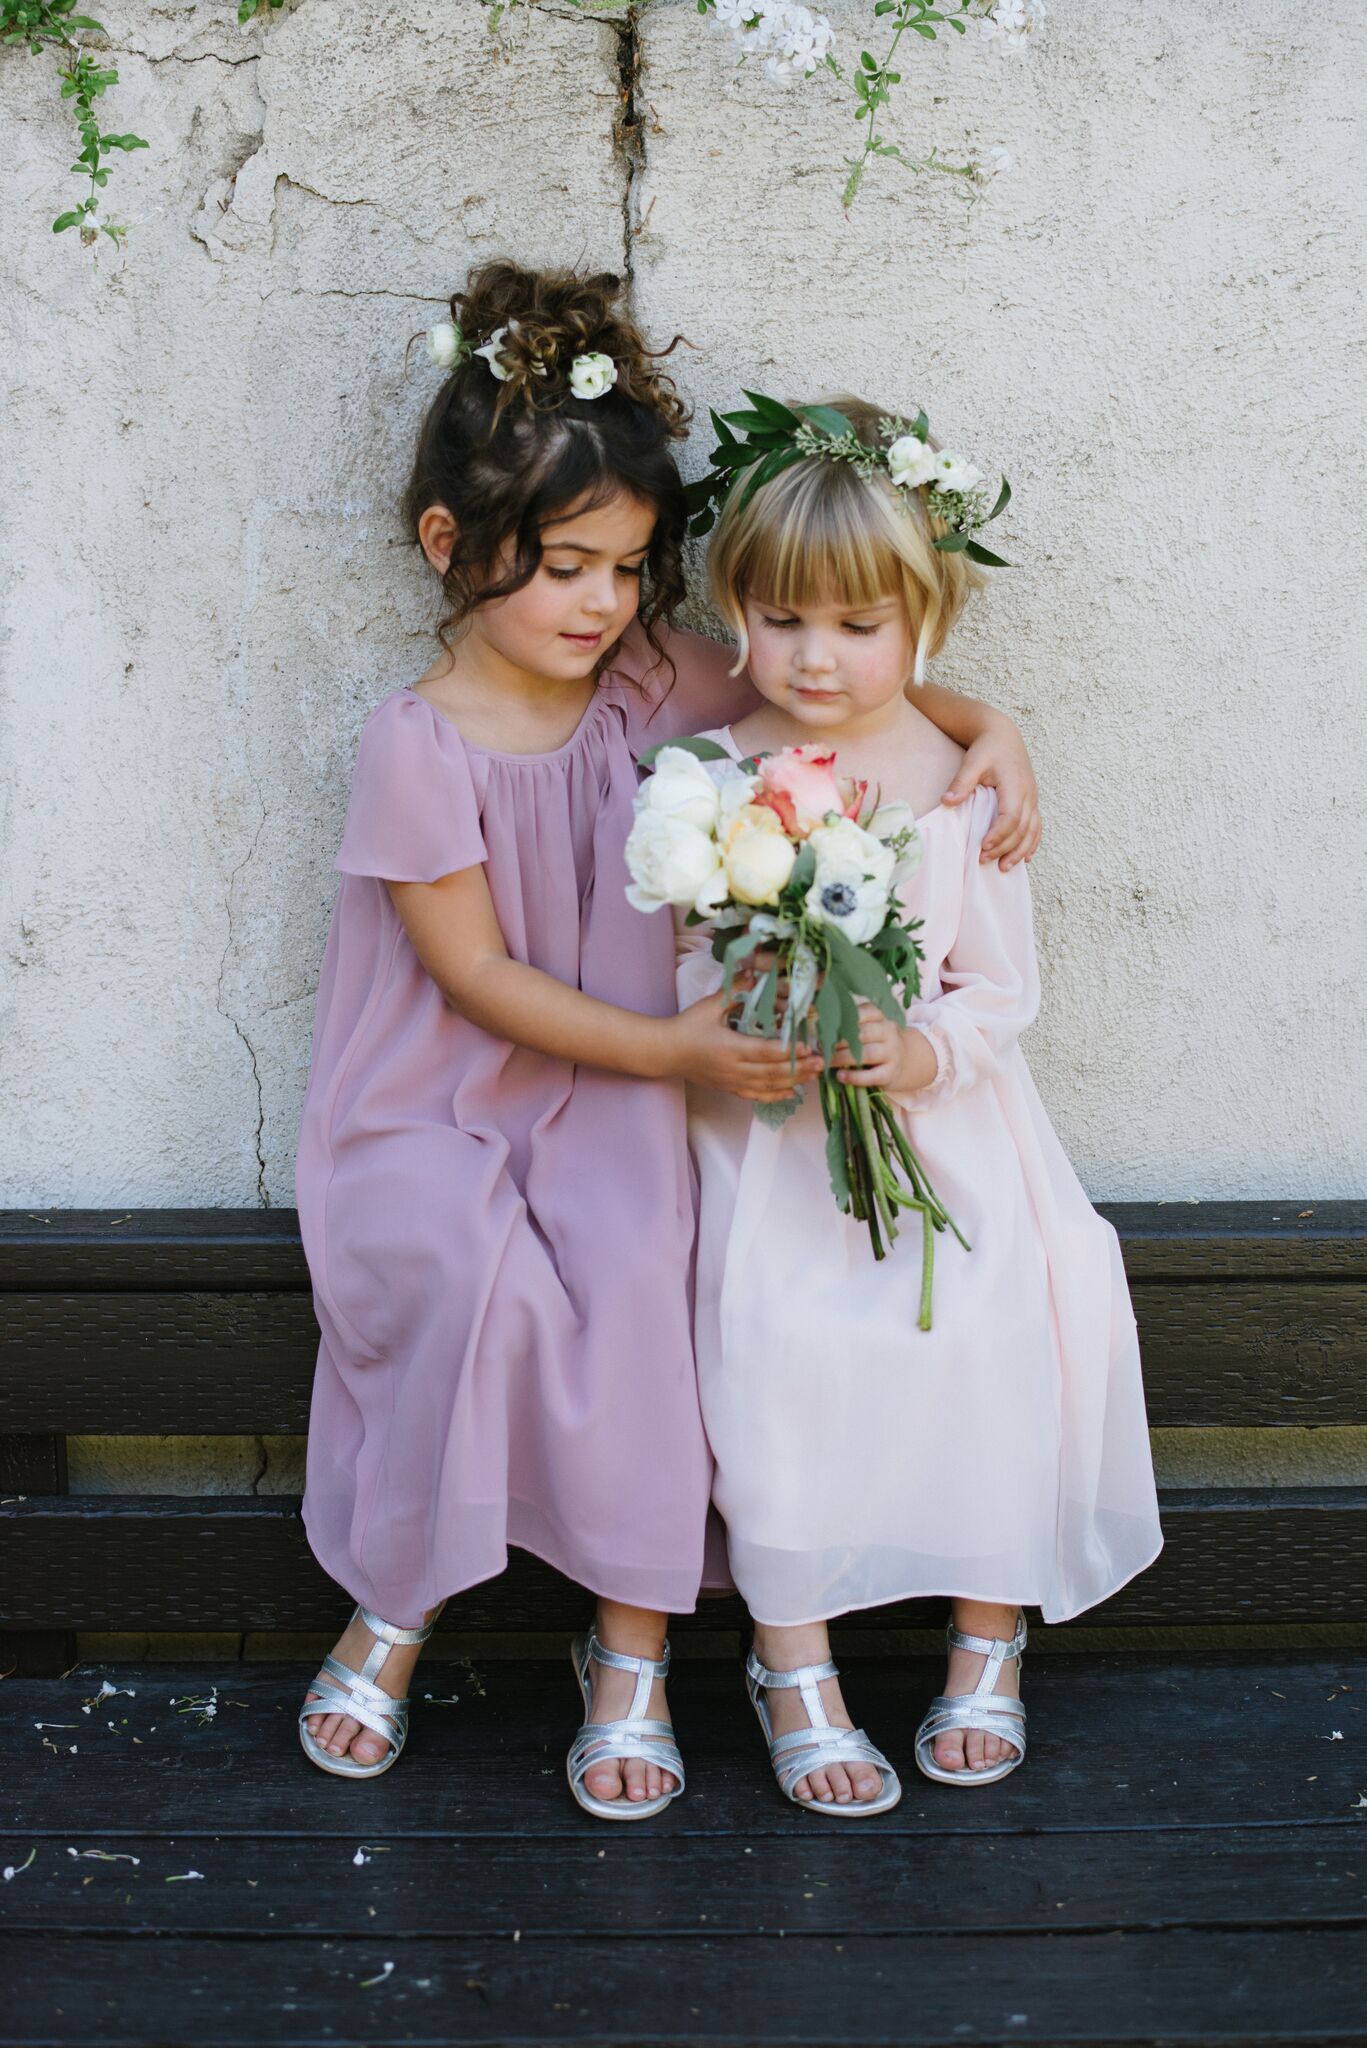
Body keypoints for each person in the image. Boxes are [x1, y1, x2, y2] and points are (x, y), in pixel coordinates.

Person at [296, 268, 1044, 1818]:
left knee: (643, 1267)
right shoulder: (415, 741)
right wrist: (682, 1052)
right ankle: (398, 1603)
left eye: (632, 569)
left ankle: (627, 1647)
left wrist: (992, 730)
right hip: (445, 1099)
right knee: (466, 1263)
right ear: (451, 546)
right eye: (565, 567)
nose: (602, 606)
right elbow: (479, 978)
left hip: (623, 1104)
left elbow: (838, 681)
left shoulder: (654, 678)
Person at [677, 393, 1162, 1813]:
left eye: (859, 626)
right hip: (769, 1144)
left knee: (995, 1326)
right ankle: (795, 1663)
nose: (816, 658)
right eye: (779, 620)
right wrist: (751, 1012)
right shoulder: (707, 778)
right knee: (773, 1351)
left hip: (942, 1143)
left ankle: (988, 1633)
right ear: (733, 612)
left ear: (928, 619)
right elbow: (675, 948)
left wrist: (923, 1052)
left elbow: (999, 992)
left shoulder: (962, 785)